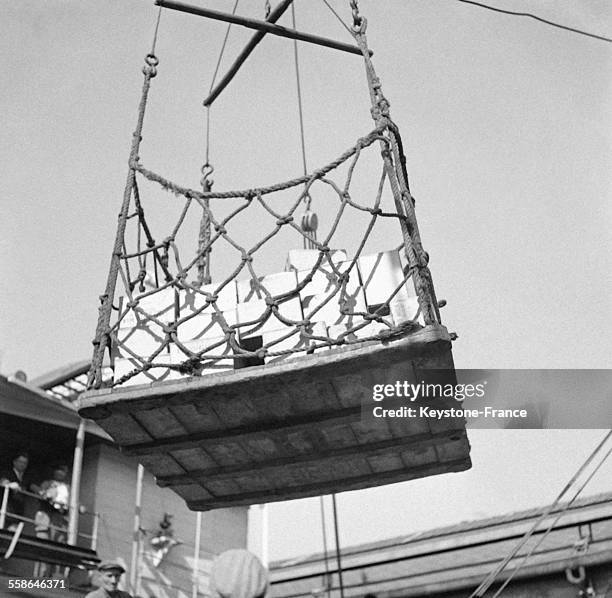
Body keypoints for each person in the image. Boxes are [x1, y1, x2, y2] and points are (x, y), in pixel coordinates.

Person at [35, 464, 71, 543]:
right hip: (46, 513)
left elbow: (72, 501)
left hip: (60, 517)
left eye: (63, 471)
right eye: (58, 470)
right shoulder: (47, 483)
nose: (60, 473)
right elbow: (40, 494)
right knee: (43, 536)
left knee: (60, 538)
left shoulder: (67, 487)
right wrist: (46, 495)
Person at [0, 451, 35, 530]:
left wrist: (43, 492)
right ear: (14, 462)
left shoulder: (26, 478)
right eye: (20, 462)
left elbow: (33, 487)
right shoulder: (7, 473)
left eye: (25, 463)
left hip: (18, 513)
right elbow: (3, 481)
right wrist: (10, 484)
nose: (22, 464)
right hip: (6, 510)